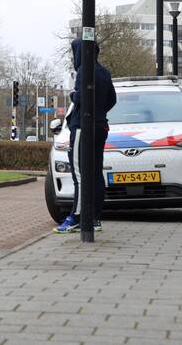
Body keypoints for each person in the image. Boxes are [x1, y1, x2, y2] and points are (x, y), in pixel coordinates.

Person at [55, 39, 117, 234]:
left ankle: (77, 217)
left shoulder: (83, 71)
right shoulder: (104, 72)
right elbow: (112, 99)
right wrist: (99, 113)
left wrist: (74, 96)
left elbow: (81, 97)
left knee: (79, 172)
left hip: (82, 126)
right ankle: (95, 217)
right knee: (96, 172)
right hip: (100, 126)